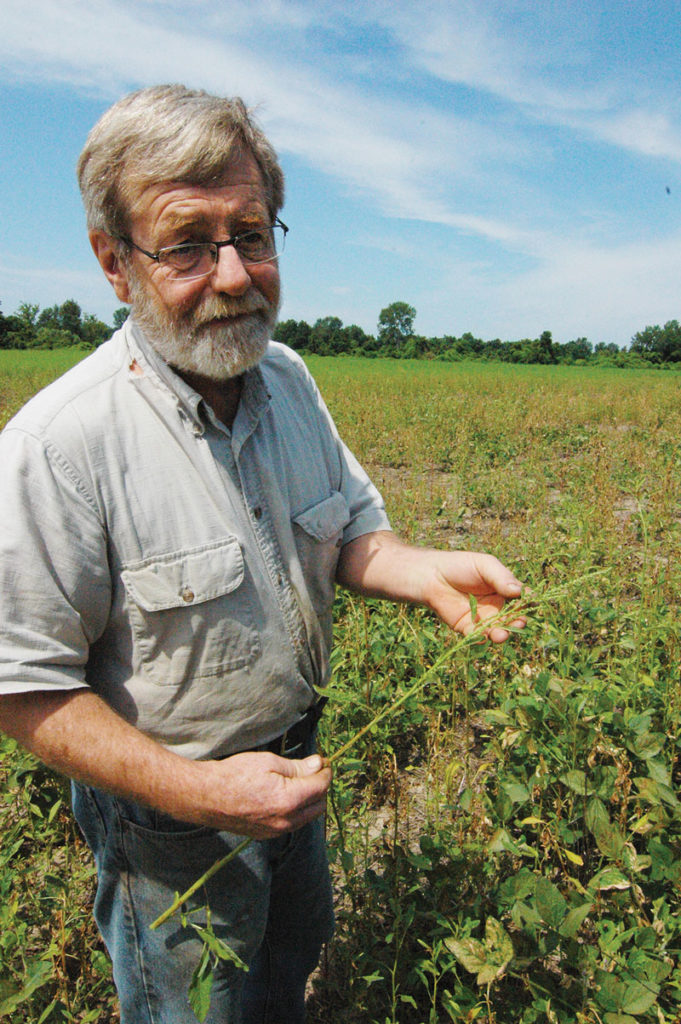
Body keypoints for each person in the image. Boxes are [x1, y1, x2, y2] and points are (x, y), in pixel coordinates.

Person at [0, 84, 524, 1024]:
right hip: (170, 827)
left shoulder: (284, 377)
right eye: (189, 244)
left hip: (296, 780)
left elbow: (351, 530)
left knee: (285, 977)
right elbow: (21, 687)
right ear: (114, 264)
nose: (236, 274)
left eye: (251, 233)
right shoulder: (59, 447)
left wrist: (422, 571)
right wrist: (205, 791)